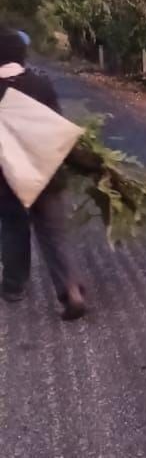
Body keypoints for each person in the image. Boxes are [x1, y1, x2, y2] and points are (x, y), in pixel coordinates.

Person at [0, 27, 86, 320]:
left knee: (13, 231)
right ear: (21, 55)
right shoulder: (40, 84)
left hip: (8, 181)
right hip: (47, 174)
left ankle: (13, 286)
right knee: (54, 235)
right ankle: (70, 290)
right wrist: (85, 162)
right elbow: (57, 132)